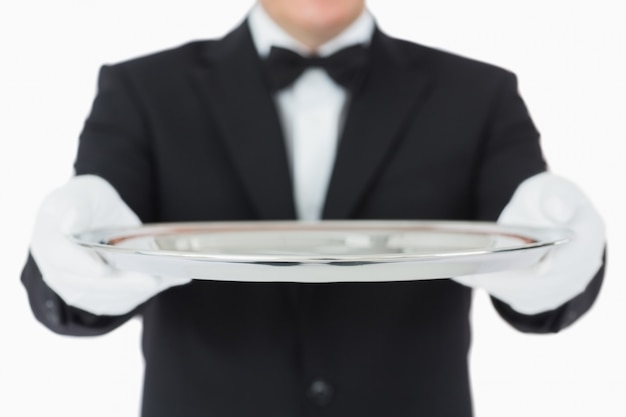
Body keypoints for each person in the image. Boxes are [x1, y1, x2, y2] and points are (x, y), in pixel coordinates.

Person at [21, 0, 606, 416]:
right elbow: (80, 264)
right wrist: (72, 265)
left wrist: (557, 264)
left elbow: (538, 241)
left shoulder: (480, 93)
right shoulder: (143, 89)